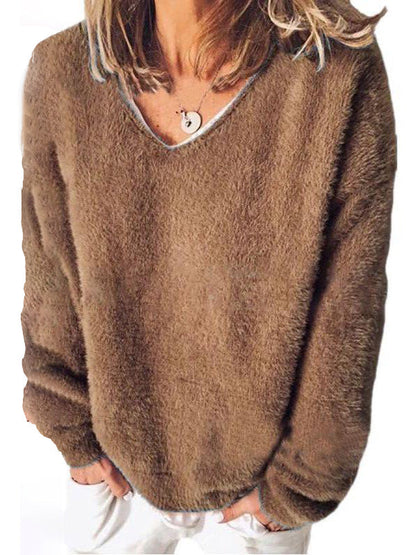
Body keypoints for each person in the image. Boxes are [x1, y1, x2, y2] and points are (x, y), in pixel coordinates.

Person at [20, 0, 396, 553]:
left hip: (263, 501)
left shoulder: (332, 69)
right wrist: (72, 435)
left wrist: (301, 486)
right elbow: (50, 271)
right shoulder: (64, 70)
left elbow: (350, 298)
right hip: (114, 483)